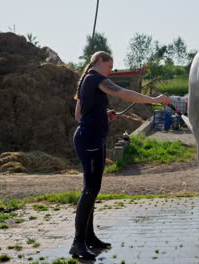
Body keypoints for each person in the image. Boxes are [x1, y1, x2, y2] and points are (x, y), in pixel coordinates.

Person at [69, 51, 172, 259]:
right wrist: (154, 99)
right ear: (99, 61)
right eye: (110, 64)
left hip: (91, 137)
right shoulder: (96, 78)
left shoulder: (87, 81)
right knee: (89, 190)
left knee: (92, 189)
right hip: (89, 139)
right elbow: (125, 93)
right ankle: (77, 243)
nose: (111, 69)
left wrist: (103, 114)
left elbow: (79, 115)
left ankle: (89, 237)